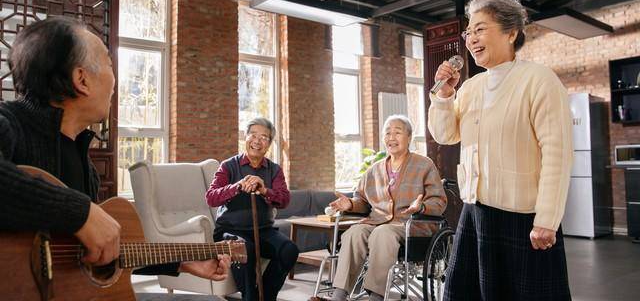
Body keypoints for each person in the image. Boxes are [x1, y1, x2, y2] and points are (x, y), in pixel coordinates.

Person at [0, 16, 229, 280]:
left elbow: (92, 253)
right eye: (109, 64)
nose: (114, 81)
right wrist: (80, 212)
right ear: (81, 80)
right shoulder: (9, 123)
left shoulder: (83, 164)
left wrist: (180, 263)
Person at [427, 0, 573, 300]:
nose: (471, 38)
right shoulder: (470, 87)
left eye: (480, 29)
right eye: (469, 32)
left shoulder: (539, 80)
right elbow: (445, 135)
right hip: (475, 213)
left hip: (524, 218)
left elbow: (557, 155)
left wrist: (547, 219)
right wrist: (443, 97)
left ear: (511, 32)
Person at [312, 115, 447, 301]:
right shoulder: (374, 170)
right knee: (354, 232)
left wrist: (421, 207)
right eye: (388, 133)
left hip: (411, 225)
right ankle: (339, 295)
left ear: (409, 137)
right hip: (377, 222)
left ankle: (376, 296)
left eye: (397, 132)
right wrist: (350, 204)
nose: (391, 137)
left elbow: (439, 201)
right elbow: (363, 200)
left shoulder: (424, 165)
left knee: (382, 234)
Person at [205, 117, 299, 301]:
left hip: (263, 231)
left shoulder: (274, 170)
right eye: (253, 135)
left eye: (264, 137)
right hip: (230, 231)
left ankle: (266, 296)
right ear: (245, 137)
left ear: (269, 144)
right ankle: (251, 297)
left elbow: (284, 199)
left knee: (289, 250)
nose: (257, 141)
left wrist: (264, 190)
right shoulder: (228, 166)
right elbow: (211, 197)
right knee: (244, 249)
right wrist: (237, 186)